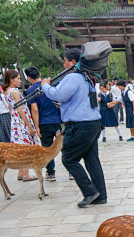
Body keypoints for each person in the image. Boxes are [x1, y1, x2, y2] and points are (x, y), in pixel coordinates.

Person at [41, 47, 107, 208]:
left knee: (69, 159)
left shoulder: (73, 77)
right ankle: (101, 195)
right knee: (92, 160)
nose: (64, 64)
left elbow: (58, 95)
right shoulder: (88, 78)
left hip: (79, 126)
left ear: (72, 62)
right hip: (92, 123)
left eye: (65, 61)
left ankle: (90, 192)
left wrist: (45, 86)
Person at [25, 66, 62, 182]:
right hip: (58, 120)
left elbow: (34, 110)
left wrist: (37, 127)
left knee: (47, 148)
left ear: (29, 78)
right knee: (63, 144)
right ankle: (71, 172)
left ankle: (51, 173)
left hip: (44, 122)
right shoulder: (51, 84)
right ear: (40, 74)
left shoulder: (31, 91)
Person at [3, 69, 38, 181]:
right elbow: (20, 110)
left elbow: (10, 108)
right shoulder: (15, 92)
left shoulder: (6, 92)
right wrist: (29, 126)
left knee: (21, 146)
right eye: (17, 79)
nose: (19, 81)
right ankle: (26, 174)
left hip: (15, 121)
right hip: (22, 121)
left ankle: (21, 172)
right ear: (11, 80)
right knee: (27, 147)